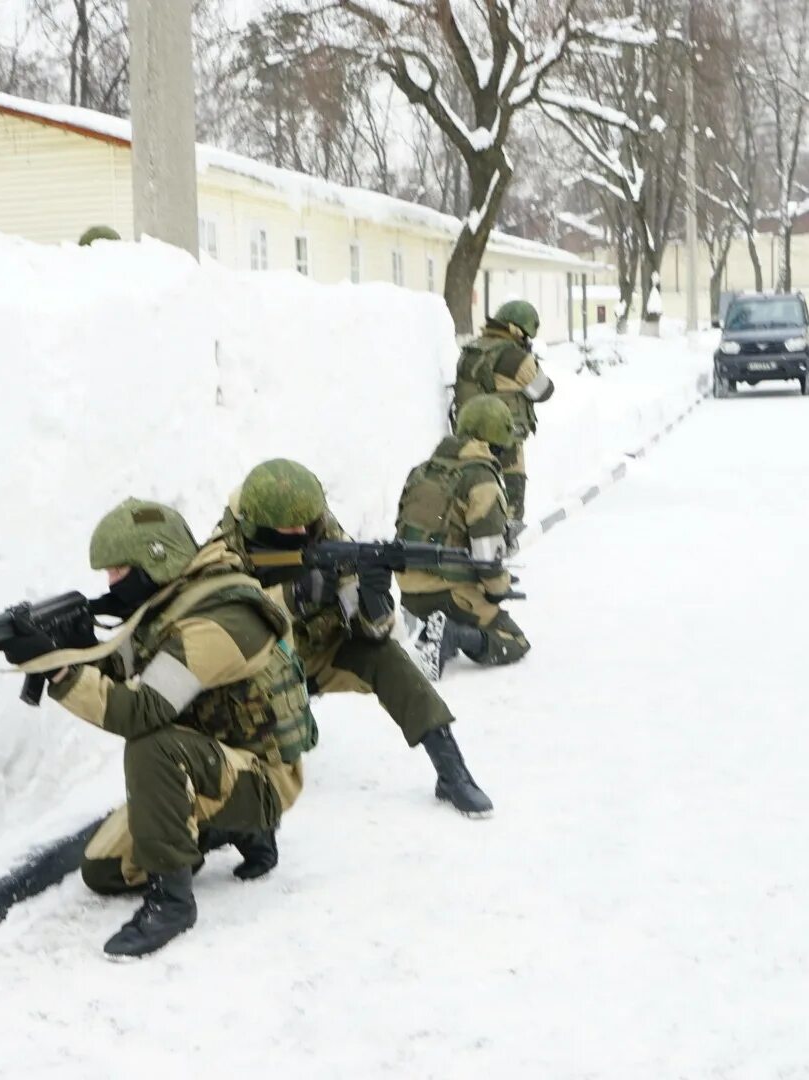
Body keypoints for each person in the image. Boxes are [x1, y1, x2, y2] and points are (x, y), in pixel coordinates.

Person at [0, 497, 313, 959]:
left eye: (119, 571)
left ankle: (173, 902)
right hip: (218, 759)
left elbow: (141, 709)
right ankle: (239, 830)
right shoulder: (174, 602)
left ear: (155, 559)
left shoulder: (220, 621)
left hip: (264, 776)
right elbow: (136, 668)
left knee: (152, 746)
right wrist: (75, 645)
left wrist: (61, 673)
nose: (110, 583)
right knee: (103, 870)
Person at [212, 459, 494, 817]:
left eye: (306, 521)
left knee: (388, 658)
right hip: (253, 668)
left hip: (313, 655)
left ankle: (452, 770)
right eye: (290, 526)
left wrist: (374, 599)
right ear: (261, 521)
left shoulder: (327, 536)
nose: (302, 530)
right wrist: (294, 595)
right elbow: (221, 623)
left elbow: (372, 632)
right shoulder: (224, 548)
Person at [396, 396, 530, 677]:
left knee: (466, 601)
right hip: (449, 593)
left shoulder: (422, 470)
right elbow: (487, 559)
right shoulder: (481, 478)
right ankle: (452, 634)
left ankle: (437, 627)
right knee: (515, 641)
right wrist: (499, 589)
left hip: (409, 591)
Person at [452, 298, 554, 526]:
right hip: (505, 440)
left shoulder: (471, 349)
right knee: (511, 498)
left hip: (467, 436)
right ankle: (506, 533)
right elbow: (543, 391)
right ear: (519, 330)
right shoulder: (516, 358)